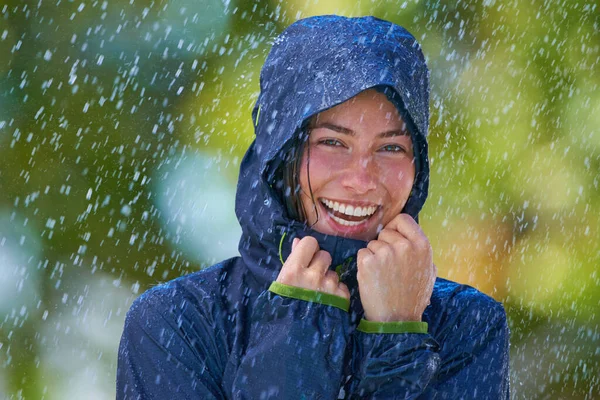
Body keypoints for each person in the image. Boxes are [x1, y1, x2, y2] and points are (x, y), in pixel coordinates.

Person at [116, 15, 510, 399]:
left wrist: (396, 337)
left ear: (418, 167)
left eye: (391, 147)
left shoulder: (467, 327)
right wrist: (298, 340)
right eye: (332, 142)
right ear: (281, 155)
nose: (361, 178)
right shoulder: (177, 324)